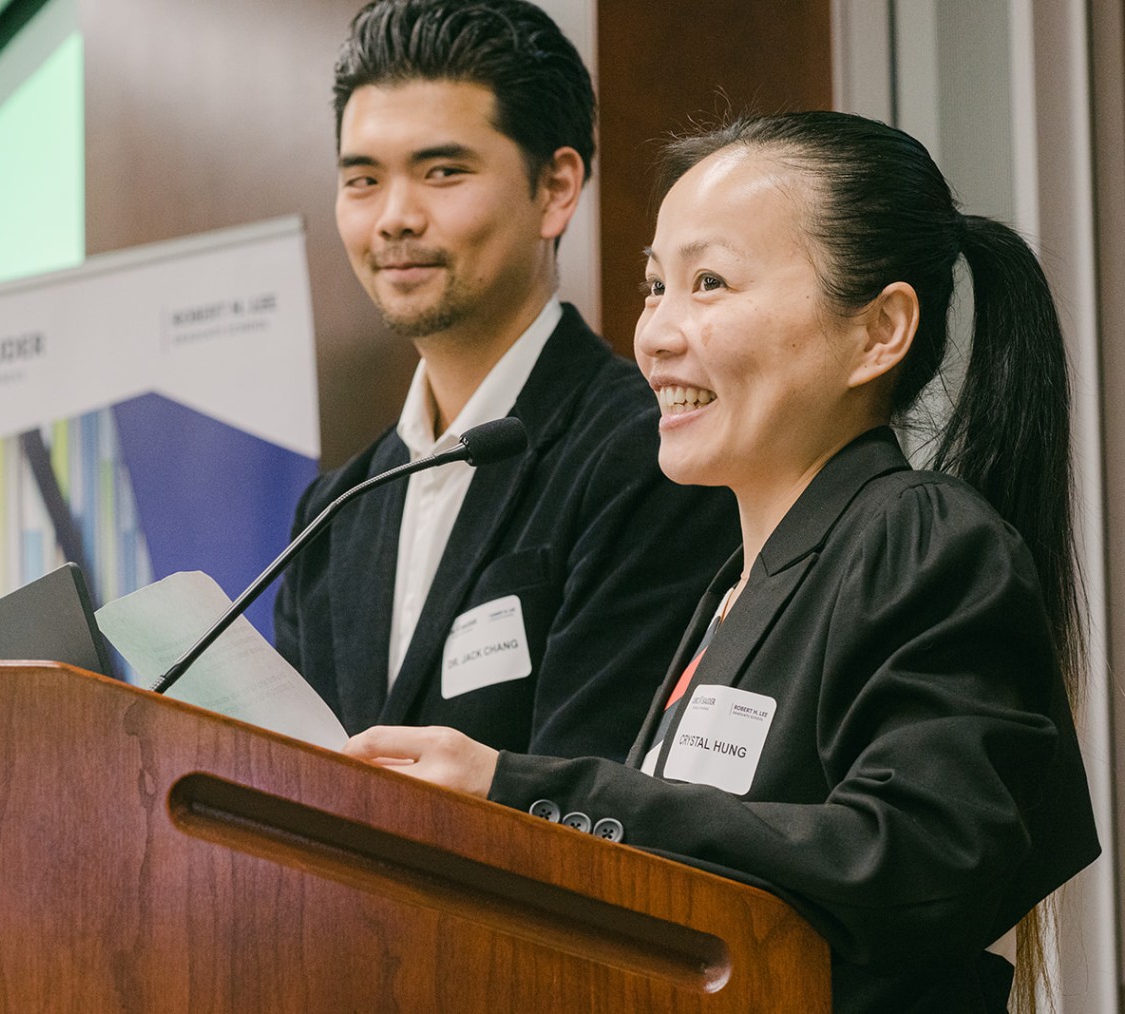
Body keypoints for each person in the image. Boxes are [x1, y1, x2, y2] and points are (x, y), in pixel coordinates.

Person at [342, 110, 1100, 1013]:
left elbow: (917, 862)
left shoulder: (921, 535)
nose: (656, 334)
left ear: (879, 331)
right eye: (655, 285)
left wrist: (519, 789)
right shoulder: (731, 588)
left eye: (709, 283)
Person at [273, 0, 738, 763]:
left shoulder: (651, 453)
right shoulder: (332, 516)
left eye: (442, 172)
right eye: (362, 181)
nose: (394, 218)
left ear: (556, 188)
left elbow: (600, 795)